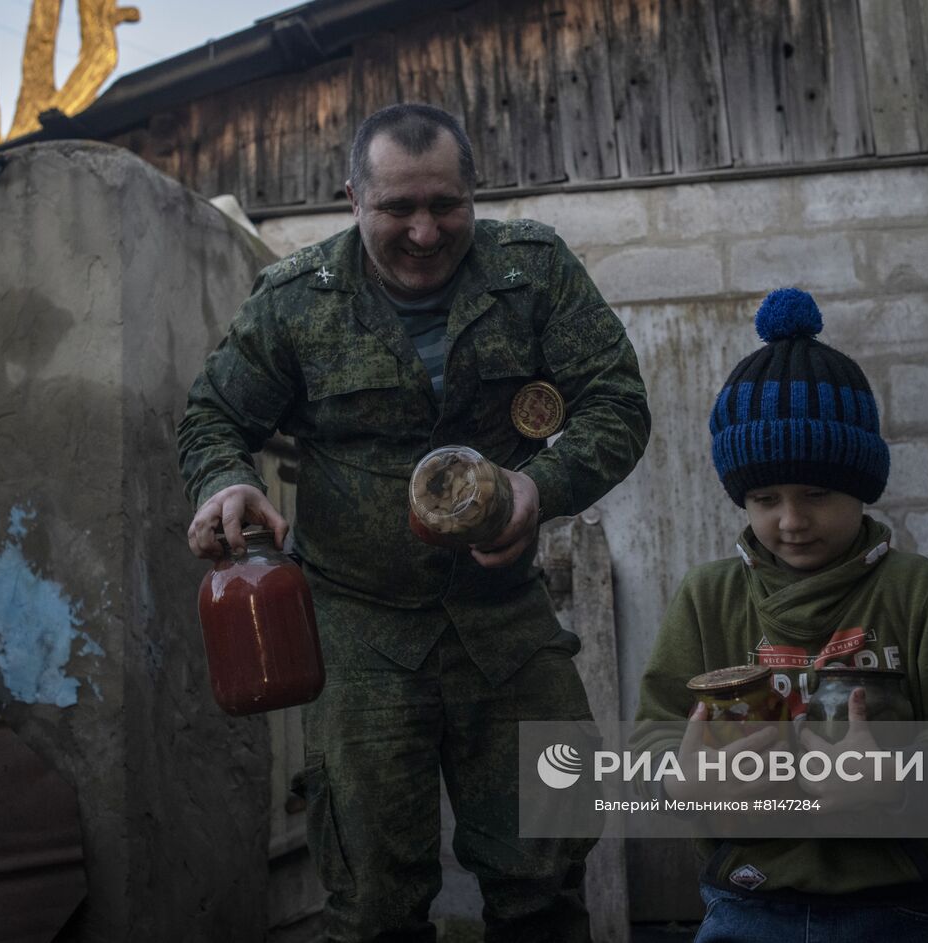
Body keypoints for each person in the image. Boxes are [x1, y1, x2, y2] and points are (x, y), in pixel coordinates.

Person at [177, 103, 650, 942]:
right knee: (372, 898)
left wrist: (541, 486)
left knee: (544, 872)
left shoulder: (532, 273)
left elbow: (616, 403)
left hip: (503, 620)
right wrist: (224, 481)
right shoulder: (295, 302)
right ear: (352, 197)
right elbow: (213, 416)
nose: (426, 233)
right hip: (361, 632)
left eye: (447, 206)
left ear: (476, 195)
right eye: (398, 209)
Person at [633, 287, 928, 941]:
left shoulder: (915, 593)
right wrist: (684, 781)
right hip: (745, 904)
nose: (791, 520)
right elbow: (648, 740)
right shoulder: (708, 599)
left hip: (895, 907)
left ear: (861, 484)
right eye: (764, 497)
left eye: (817, 493)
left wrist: (902, 777)